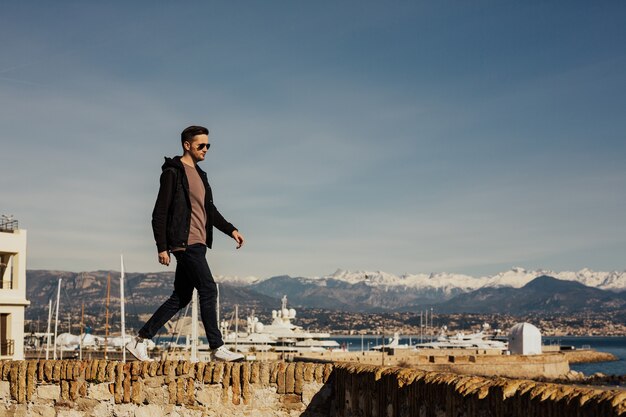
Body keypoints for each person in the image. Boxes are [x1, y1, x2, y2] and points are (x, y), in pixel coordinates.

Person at [126, 125, 245, 362]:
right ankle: (217, 347)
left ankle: (139, 340)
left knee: (180, 297)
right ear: (187, 145)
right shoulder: (173, 172)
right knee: (209, 288)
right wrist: (162, 246)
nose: (206, 150)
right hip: (185, 242)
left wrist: (231, 229)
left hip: (199, 242)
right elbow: (159, 212)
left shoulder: (201, 175)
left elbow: (208, 210)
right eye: (201, 145)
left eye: (208, 145)